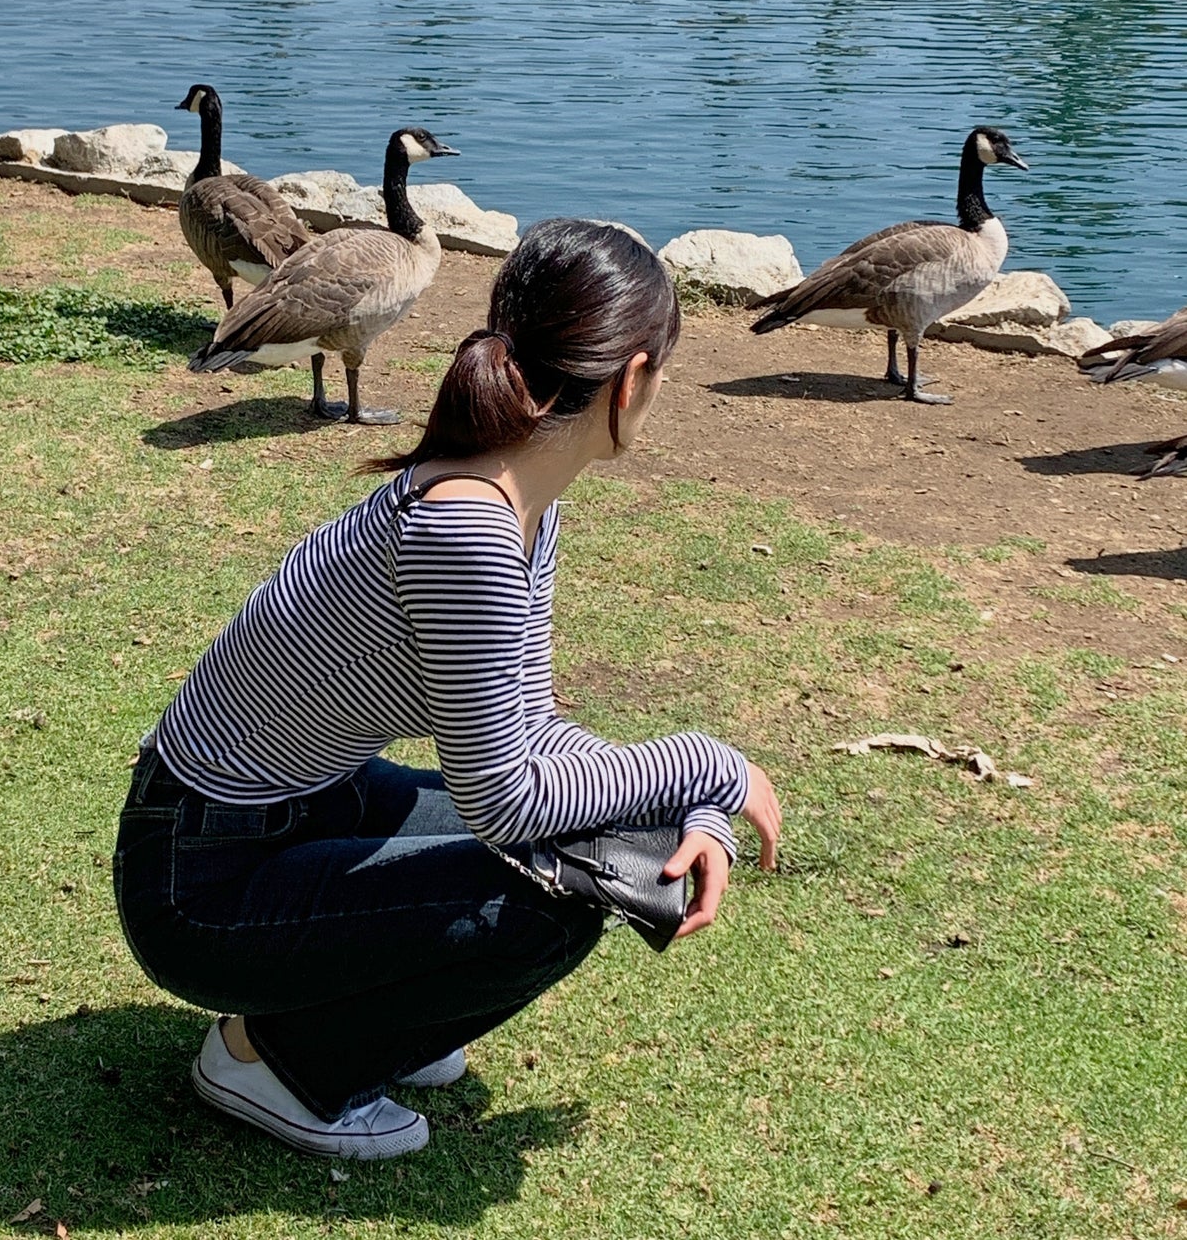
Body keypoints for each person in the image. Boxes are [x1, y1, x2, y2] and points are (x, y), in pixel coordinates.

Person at [113, 219, 783, 1161]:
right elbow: (503, 800)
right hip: (200, 883)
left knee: (614, 836)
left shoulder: (513, 493)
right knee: (554, 900)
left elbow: (531, 730)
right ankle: (273, 1062)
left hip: (289, 814)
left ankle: (380, 1011)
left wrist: (693, 800)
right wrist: (706, 762)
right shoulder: (466, 530)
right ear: (630, 383)